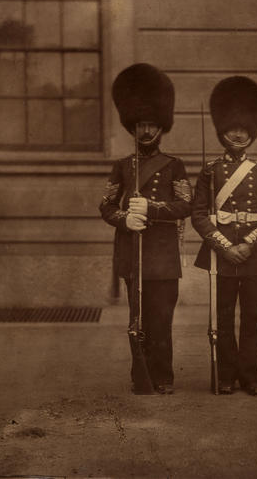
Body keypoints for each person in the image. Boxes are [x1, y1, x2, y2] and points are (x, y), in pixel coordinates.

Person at [99, 63, 192, 395]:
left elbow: (186, 206)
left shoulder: (174, 165)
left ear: (162, 128)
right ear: (133, 128)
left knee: (162, 320)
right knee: (137, 319)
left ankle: (163, 376)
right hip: (133, 253)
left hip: (163, 255)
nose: (147, 131)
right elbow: (106, 206)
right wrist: (124, 218)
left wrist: (152, 209)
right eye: (141, 125)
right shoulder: (122, 166)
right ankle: (141, 376)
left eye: (153, 124)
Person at [191, 76, 257, 396]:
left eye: (244, 128)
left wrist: (248, 244)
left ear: (251, 132)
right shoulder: (209, 171)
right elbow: (199, 214)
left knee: (252, 317)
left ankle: (249, 376)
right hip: (222, 255)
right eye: (232, 128)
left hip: (255, 255)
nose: (238, 133)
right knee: (224, 317)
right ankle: (226, 374)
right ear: (222, 132)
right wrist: (226, 246)